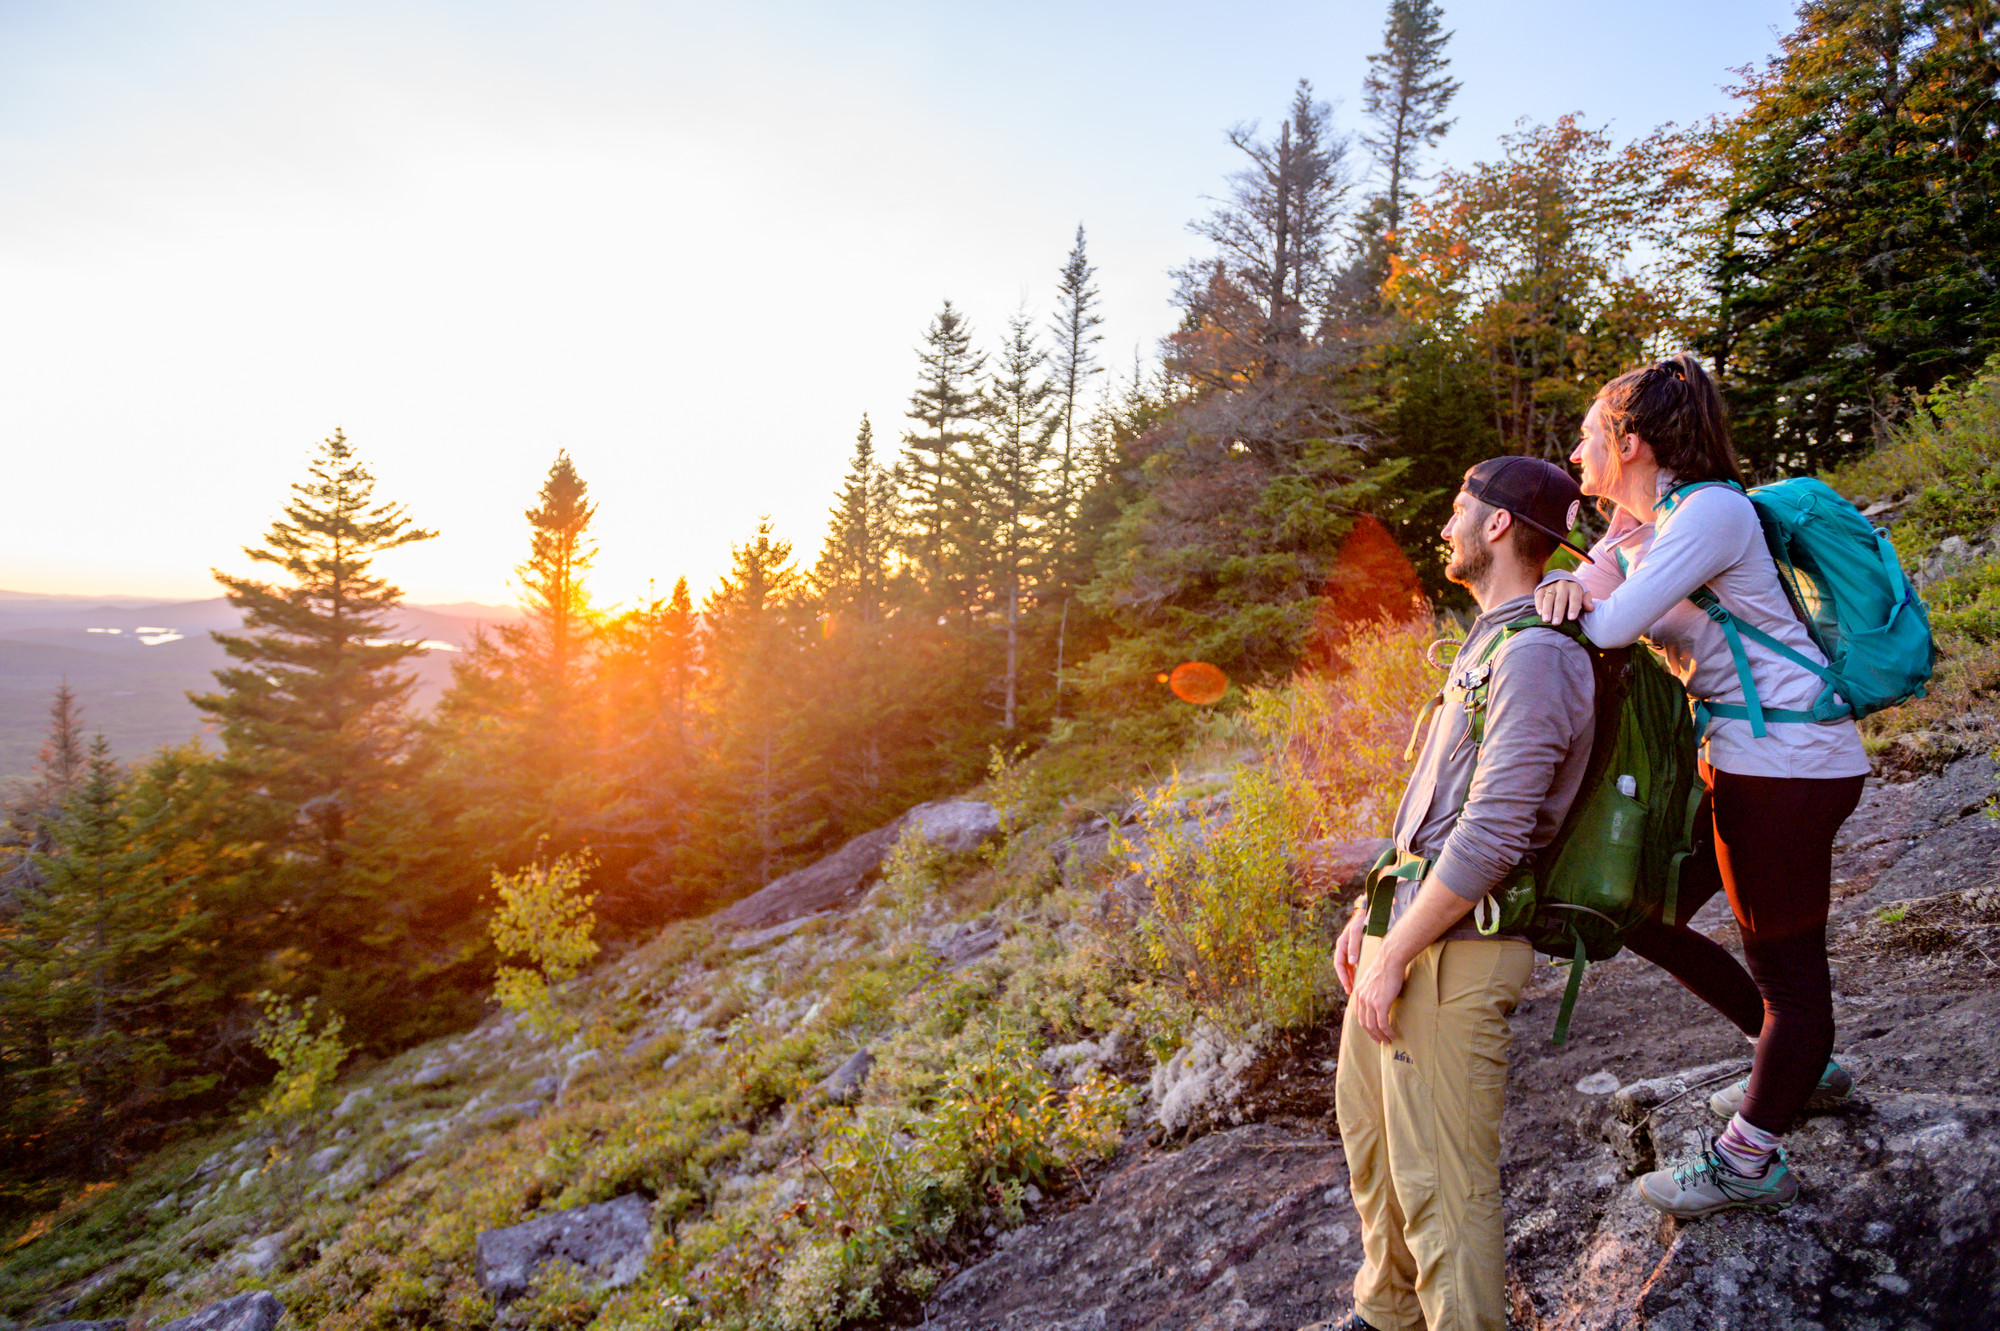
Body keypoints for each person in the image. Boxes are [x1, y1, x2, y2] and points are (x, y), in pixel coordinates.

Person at [1533, 352, 1868, 1219]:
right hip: (1745, 757)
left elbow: (1606, 622)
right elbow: (1589, 584)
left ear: (1631, 442)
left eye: (1587, 436)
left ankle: (1753, 1153)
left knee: (1790, 979)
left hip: (1789, 769)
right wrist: (1575, 575)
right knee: (1647, 913)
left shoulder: (1711, 512)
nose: (1576, 454)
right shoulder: (1647, 519)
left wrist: (1575, 589)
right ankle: (1795, 1069)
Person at [1317, 455, 1597, 1331]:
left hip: (1459, 952)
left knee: (1442, 1185)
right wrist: (1374, 913)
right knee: (1374, 1147)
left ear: (1502, 523)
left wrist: (1397, 954)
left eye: (1457, 507)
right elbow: (1437, 812)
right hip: (1410, 934)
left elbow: (1496, 831)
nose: (1445, 526)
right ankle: (1388, 1313)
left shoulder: (1541, 655)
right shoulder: (1487, 644)